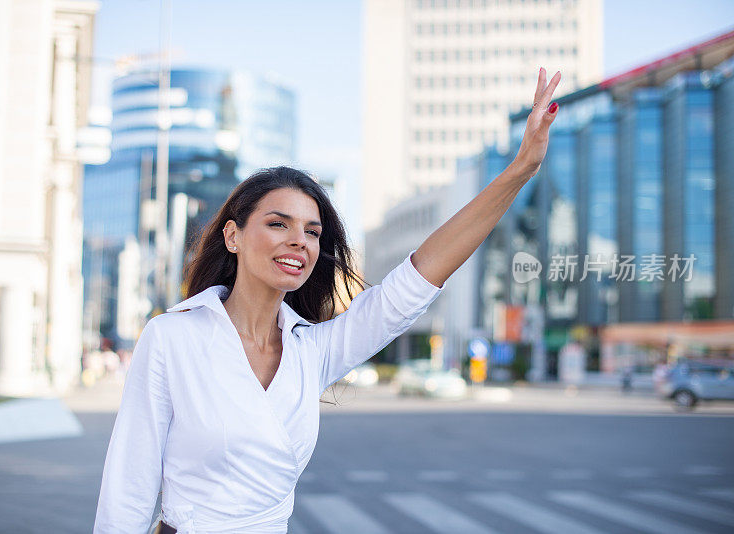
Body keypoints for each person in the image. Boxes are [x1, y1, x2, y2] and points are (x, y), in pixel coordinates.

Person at [93, 68, 562, 534]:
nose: (300, 241)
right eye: (279, 224)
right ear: (233, 235)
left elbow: (419, 279)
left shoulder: (311, 350)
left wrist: (521, 170)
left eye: (312, 232)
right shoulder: (172, 336)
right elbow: (128, 487)